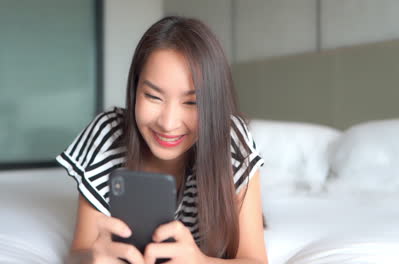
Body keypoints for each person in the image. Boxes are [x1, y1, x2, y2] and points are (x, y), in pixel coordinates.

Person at [56, 16, 267, 264]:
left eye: (192, 102)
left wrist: (199, 261)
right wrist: (94, 258)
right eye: (153, 97)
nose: (168, 123)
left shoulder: (232, 141)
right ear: (135, 90)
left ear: (213, 104)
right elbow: (79, 252)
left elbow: (254, 260)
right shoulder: (107, 137)